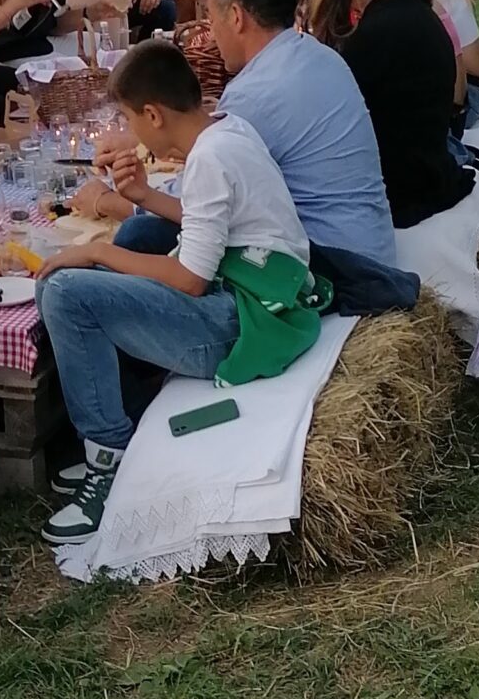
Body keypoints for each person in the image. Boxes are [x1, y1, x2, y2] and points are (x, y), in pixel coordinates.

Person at [36, 41, 319, 541]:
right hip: (260, 285)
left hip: (244, 321)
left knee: (65, 291)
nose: (131, 131)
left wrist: (97, 255)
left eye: (129, 118)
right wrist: (143, 197)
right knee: (140, 232)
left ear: (153, 114)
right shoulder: (226, 130)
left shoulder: (210, 159)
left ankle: (108, 461)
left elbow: (191, 278)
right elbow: (209, 224)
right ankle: (129, 412)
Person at [90, 0, 417, 315]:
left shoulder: (253, 93)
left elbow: (203, 201)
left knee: (140, 237)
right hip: (370, 243)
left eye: (212, 20)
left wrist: (108, 202)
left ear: (235, 17)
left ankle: (152, 355)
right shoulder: (315, 53)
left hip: (333, 264)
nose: (211, 35)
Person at [308, 0, 473, 228]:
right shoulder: (409, 7)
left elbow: (324, 118)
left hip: (400, 190)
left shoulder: (377, 33)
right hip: (426, 170)